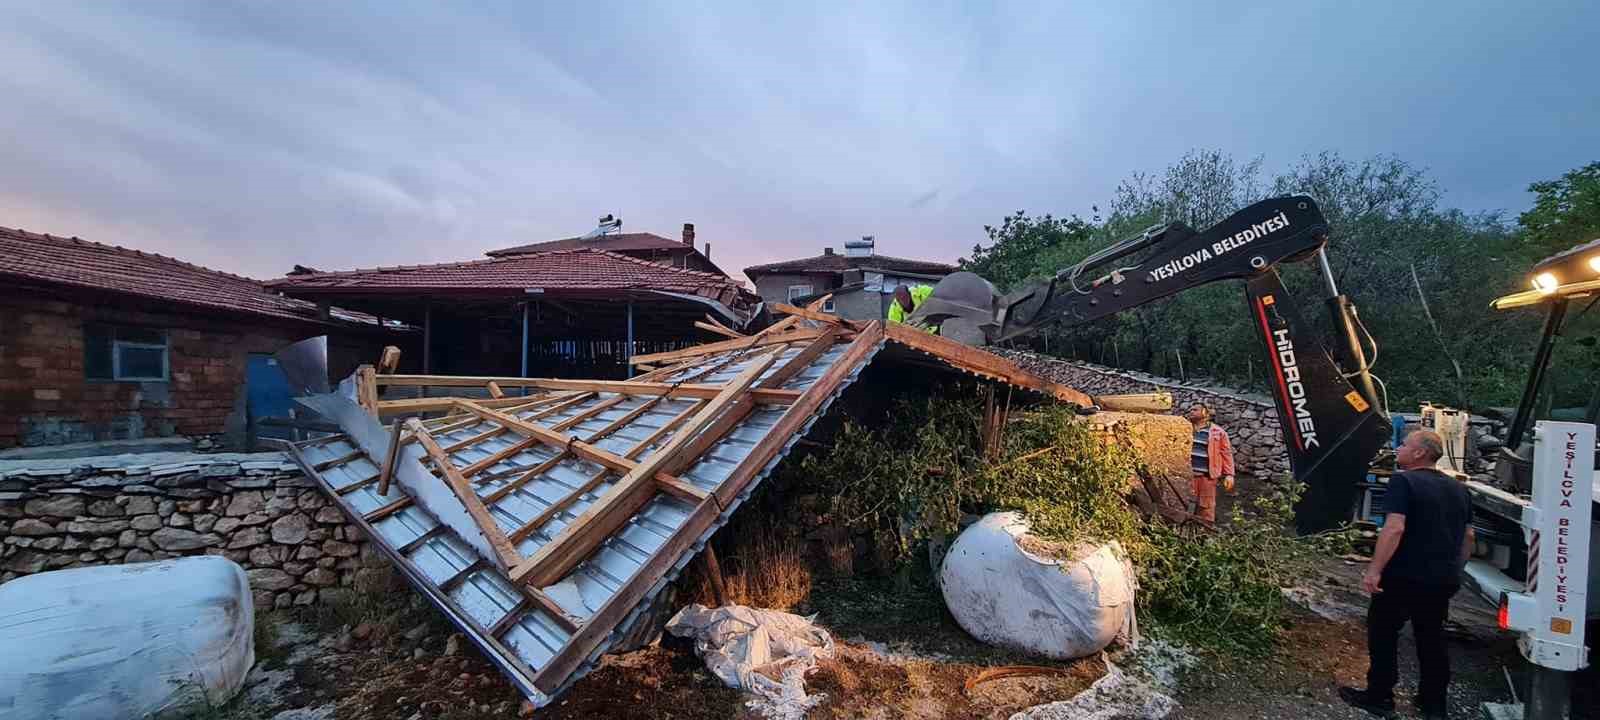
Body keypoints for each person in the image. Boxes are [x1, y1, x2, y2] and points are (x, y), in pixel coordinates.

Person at [1339, 429, 1474, 720]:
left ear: (1419, 453)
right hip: (1441, 580)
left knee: (1383, 633)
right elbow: (1469, 538)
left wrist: (1374, 570)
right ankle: (1433, 705)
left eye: (1404, 445)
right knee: (1432, 640)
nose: (1398, 448)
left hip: (1403, 576)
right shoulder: (1460, 489)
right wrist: (1454, 571)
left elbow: (1394, 528)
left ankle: (1379, 697)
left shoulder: (1403, 481)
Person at [1186, 403, 1235, 524]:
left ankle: (1205, 534)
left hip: (1207, 477)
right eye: (1190, 409)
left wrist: (1229, 475)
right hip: (1186, 475)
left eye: (1195, 409)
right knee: (1183, 503)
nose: (1191, 411)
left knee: (1206, 507)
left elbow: (1226, 453)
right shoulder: (1185, 428)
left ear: (1205, 413)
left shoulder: (1218, 432)